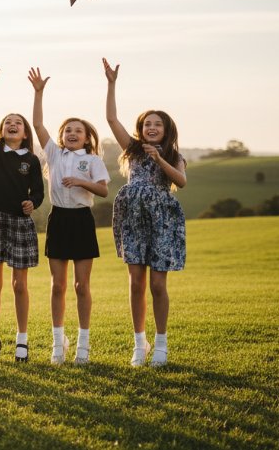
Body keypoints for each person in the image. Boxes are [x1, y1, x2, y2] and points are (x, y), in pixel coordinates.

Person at [104, 58, 187, 367]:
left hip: (163, 222)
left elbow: (180, 181)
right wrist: (112, 83)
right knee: (136, 283)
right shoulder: (133, 151)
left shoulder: (175, 156)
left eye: (157, 124)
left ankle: (161, 344)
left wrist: (161, 159)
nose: (151, 128)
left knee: (157, 285)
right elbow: (112, 120)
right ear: (141, 130)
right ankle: (140, 343)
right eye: (147, 124)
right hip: (133, 219)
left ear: (166, 131)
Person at [29, 67, 109, 365]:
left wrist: (81, 182)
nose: (72, 133)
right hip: (59, 220)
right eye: (68, 130)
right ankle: (57, 342)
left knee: (81, 286)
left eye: (78, 130)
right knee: (58, 285)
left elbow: (101, 191)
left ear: (87, 138)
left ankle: (83, 345)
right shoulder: (54, 154)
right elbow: (37, 124)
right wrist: (39, 92)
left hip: (82, 221)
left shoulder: (93, 160)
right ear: (62, 137)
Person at [0, 60, 44, 362]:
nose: (13, 124)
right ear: (2, 132)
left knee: (19, 284)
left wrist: (33, 203)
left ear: (26, 133)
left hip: (20, 224)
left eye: (19, 122)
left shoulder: (32, 159)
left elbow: (38, 192)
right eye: (8, 122)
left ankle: (22, 341)